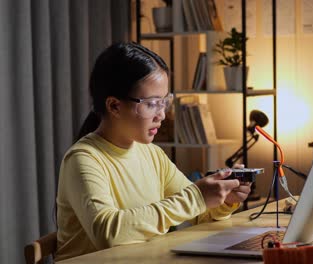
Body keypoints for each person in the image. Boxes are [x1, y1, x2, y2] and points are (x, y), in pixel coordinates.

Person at [55, 42, 251, 261]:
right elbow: (108, 233)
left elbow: (199, 212)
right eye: (152, 104)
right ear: (114, 106)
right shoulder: (83, 159)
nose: (162, 115)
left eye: (164, 102)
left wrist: (224, 199)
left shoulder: (152, 154)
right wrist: (196, 197)